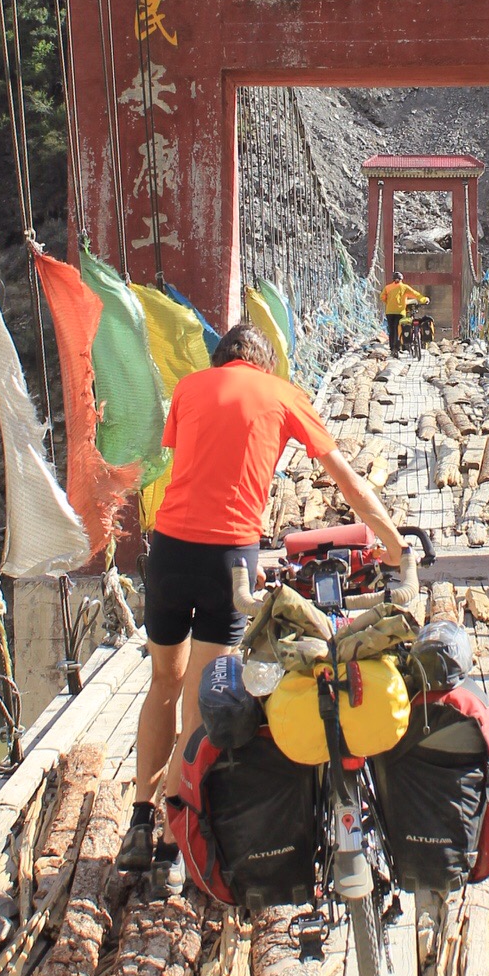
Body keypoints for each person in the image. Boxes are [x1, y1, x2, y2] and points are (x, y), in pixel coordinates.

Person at [116, 322, 406, 873]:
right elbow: (346, 480)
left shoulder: (189, 387)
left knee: (162, 684)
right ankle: (174, 843)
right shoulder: (283, 394)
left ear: (221, 358)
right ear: (265, 364)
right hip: (228, 560)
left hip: (170, 551)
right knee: (199, 704)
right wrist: (392, 544)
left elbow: (187, 457)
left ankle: (138, 820)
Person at [381, 273, 425, 355]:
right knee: (399, 329)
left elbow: (382, 297)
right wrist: (424, 299)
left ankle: (393, 348)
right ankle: (399, 347)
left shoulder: (387, 287)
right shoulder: (404, 287)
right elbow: (415, 294)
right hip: (400, 312)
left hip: (389, 312)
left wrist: (389, 302)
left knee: (392, 330)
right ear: (401, 279)